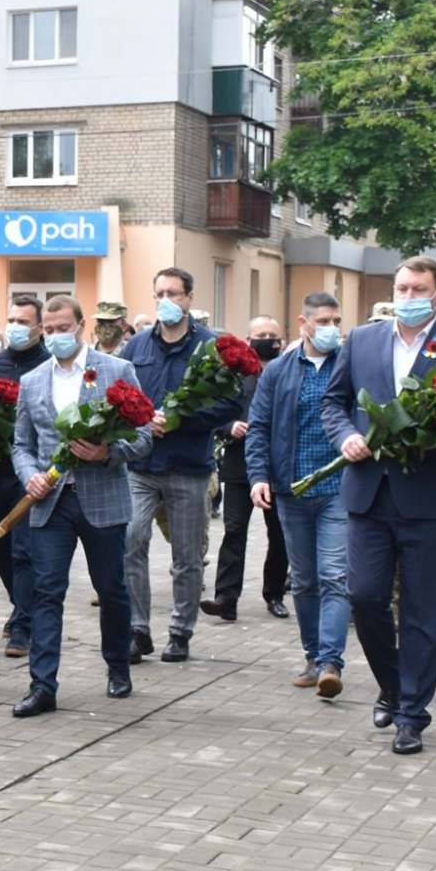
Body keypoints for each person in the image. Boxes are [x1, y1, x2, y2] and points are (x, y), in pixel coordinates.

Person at [324, 256, 436, 754]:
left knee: (424, 611)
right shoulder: (363, 339)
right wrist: (346, 438)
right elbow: (333, 404)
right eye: (401, 288)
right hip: (368, 493)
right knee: (364, 597)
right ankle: (392, 684)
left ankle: (412, 713)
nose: (408, 297)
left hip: (430, 499)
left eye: (418, 289)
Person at [8, 295, 152, 717]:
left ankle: (118, 666)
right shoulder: (33, 380)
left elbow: (142, 437)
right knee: (46, 591)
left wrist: (105, 452)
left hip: (103, 499)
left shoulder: (117, 371)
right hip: (50, 503)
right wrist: (28, 474)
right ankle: (43, 685)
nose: (55, 337)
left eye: (62, 329)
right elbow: (22, 445)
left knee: (111, 588)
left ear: (81, 326)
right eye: (48, 331)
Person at [117, 267, 241, 663]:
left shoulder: (211, 347)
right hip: (140, 465)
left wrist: (182, 420)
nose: (166, 301)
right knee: (131, 542)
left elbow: (231, 403)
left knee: (186, 556)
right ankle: (138, 628)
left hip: (189, 466)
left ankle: (180, 630)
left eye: (174, 293)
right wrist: (138, 418)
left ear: (189, 298)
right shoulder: (137, 347)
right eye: (159, 294)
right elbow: (117, 393)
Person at [247, 292, 351, 695]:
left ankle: (331, 663)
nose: (331, 329)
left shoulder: (350, 364)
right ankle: (313, 656)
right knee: (305, 580)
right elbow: (258, 425)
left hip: (339, 489)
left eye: (336, 321)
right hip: (291, 490)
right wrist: (259, 476)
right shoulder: (279, 371)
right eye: (323, 321)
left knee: (334, 576)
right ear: (303, 322)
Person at [0, 293, 49, 659]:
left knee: (24, 550)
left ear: (39, 327)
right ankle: (20, 604)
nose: (15, 327)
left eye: (23, 322)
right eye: (12, 320)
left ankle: (23, 625)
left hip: (31, 474)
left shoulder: (49, 367)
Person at [204, 315, 289, 622]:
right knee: (234, 531)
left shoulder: (288, 372)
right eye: (261, 334)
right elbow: (212, 411)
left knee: (279, 535)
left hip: (280, 469)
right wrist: (229, 426)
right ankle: (226, 597)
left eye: (273, 334)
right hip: (240, 467)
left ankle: (275, 593)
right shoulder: (234, 375)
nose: (268, 339)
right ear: (249, 340)